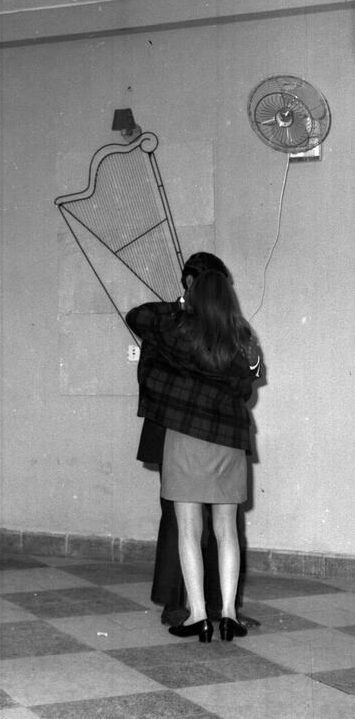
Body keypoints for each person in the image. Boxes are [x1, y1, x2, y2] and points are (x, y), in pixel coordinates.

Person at [127, 264, 261, 643]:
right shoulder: (243, 336)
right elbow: (248, 382)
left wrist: (181, 304)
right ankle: (230, 615)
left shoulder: (180, 329)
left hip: (187, 437)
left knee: (188, 529)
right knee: (227, 531)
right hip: (230, 439)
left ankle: (198, 616)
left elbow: (137, 316)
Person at [140, 253, 229, 627]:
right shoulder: (169, 323)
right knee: (179, 519)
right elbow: (148, 376)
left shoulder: (220, 326)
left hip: (211, 435)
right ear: (189, 284)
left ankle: (215, 603)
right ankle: (176, 602)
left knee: (219, 520)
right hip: (174, 430)